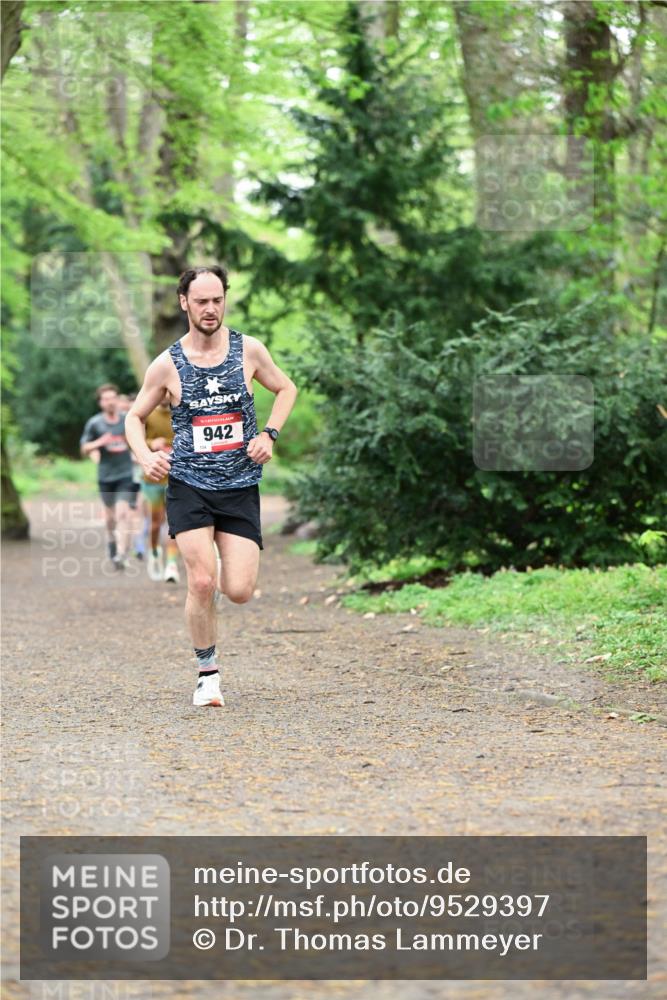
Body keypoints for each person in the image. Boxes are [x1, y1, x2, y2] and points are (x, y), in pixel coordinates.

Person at [125, 265, 297, 707]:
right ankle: (207, 675)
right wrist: (145, 456)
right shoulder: (168, 363)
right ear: (184, 302)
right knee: (202, 582)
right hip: (189, 485)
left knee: (238, 591)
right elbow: (134, 417)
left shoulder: (248, 350)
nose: (210, 308)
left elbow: (286, 389)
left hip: (240, 486)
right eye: (201, 301)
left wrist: (269, 434)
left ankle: (219, 553)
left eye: (217, 300)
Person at [80, 383, 134, 570]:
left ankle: (121, 553)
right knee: (110, 518)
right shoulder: (95, 423)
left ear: (117, 400)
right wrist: (99, 443)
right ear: (100, 403)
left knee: (123, 514)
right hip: (106, 476)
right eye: (106, 399)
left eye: (113, 398)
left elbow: (139, 440)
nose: (110, 402)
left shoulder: (127, 420)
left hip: (125, 475)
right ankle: (112, 543)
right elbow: (84, 448)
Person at [143, 392, 180, 583]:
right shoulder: (147, 413)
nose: (166, 395)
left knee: (174, 523)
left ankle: (171, 564)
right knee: (156, 523)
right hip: (153, 480)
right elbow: (133, 440)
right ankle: (154, 552)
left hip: (177, 478)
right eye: (162, 391)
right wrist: (151, 443)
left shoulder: (181, 411)